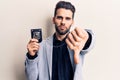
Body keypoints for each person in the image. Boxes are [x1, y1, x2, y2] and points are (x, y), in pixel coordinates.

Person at [25, 1, 95, 80]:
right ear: (54, 20)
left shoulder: (77, 42)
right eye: (59, 17)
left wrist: (87, 38)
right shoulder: (41, 46)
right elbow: (31, 78)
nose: (63, 22)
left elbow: (88, 42)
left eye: (67, 18)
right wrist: (31, 57)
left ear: (72, 22)